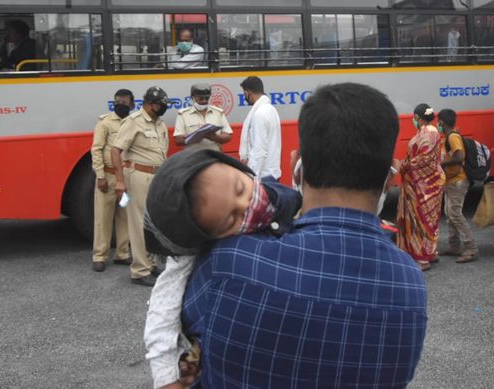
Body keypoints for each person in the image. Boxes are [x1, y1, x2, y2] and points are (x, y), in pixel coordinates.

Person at [174, 83, 428, 387]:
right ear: (389, 178)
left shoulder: (231, 260)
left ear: (297, 170)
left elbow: (183, 340)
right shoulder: (410, 284)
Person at [142, 149, 302, 389]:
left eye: (240, 188)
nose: (247, 203)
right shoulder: (191, 254)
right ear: (206, 236)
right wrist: (166, 376)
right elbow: (162, 309)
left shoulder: (278, 193)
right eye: (232, 219)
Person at [111, 86, 170, 286]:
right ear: (150, 104)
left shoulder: (159, 123)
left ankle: (151, 263)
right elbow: (115, 150)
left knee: (152, 224)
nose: (163, 108)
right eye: (161, 105)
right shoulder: (133, 121)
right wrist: (119, 181)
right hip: (137, 175)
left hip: (155, 176)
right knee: (137, 224)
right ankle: (139, 271)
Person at [397, 103, 446, 271]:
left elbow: (424, 159)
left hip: (425, 184)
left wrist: (404, 166)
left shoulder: (429, 133)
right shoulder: (427, 131)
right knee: (428, 220)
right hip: (425, 182)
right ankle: (430, 252)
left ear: (417, 117)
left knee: (421, 220)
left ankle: (422, 259)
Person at [90, 89, 134, 272]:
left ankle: (122, 253)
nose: (120, 105)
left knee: (125, 215)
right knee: (103, 217)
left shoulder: (134, 123)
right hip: (107, 177)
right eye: (117, 102)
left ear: (132, 105)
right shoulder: (105, 122)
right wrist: (100, 176)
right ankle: (99, 256)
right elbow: (96, 149)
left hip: (127, 177)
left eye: (124, 102)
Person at [437, 108, 477, 263]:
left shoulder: (452, 137)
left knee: (455, 213)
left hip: (458, 181)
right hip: (451, 180)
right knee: (450, 213)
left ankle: (471, 248)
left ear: (441, 122)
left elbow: (459, 156)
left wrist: (441, 163)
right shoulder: (448, 136)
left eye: (438, 121)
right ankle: (454, 246)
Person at [238, 76, 281, 181]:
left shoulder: (259, 114)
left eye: (244, 94)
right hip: (273, 173)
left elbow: (259, 150)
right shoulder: (271, 109)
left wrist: (251, 176)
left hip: (263, 177)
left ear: (248, 92)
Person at [173, 83, 232, 152]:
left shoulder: (218, 113)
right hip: (193, 157)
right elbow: (178, 140)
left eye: (207, 98)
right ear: (193, 97)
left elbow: (228, 136)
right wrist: (195, 136)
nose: (204, 101)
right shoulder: (183, 114)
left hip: (215, 156)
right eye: (200, 98)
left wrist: (214, 137)